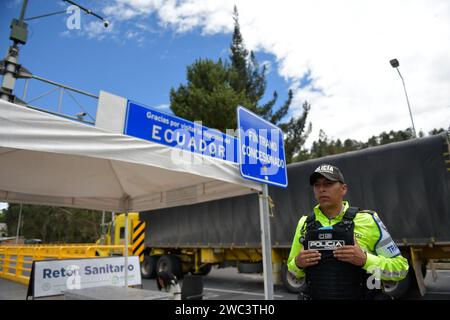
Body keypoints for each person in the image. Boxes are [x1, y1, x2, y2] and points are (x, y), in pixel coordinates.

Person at [287, 164, 409, 300]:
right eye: (317, 185)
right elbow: (293, 270)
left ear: (343, 189)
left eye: (328, 184)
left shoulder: (368, 220)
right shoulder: (304, 223)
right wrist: (298, 263)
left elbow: (401, 269)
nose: (321, 189)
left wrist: (365, 260)